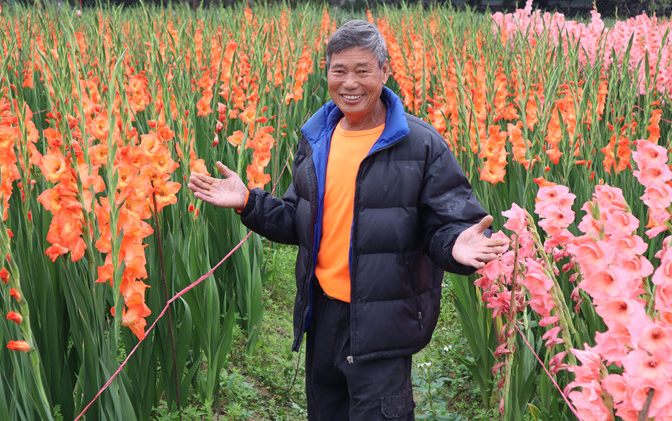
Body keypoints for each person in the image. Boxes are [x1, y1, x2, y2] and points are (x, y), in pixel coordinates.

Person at [188, 19, 508, 421]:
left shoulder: (422, 144)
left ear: (385, 72)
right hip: (323, 316)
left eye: (362, 70)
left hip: (382, 324)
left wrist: (456, 245)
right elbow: (297, 221)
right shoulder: (317, 137)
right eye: (339, 71)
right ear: (327, 73)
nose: (350, 83)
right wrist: (248, 202)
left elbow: (452, 222)